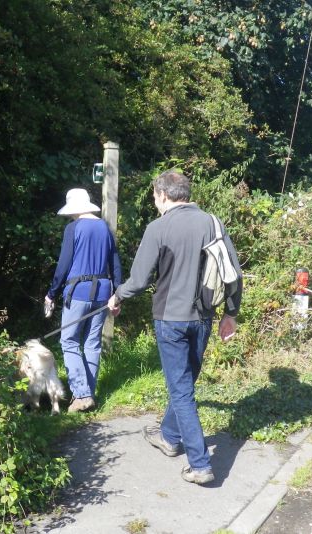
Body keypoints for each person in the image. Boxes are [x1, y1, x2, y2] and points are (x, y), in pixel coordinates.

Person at [107, 171, 242, 485]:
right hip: (203, 318)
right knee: (185, 384)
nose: (155, 202)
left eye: (155, 197)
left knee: (181, 391)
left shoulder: (158, 228)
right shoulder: (212, 223)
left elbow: (139, 280)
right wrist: (230, 313)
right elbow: (233, 273)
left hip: (170, 320)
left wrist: (117, 296)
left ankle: (200, 464)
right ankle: (169, 437)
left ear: (163, 195)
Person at [45, 188, 122, 413]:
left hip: (78, 291)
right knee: (92, 343)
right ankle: (89, 394)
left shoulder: (74, 228)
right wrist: (118, 295)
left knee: (69, 341)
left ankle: (81, 395)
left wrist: (52, 293)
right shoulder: (104, 227)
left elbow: (64, 264)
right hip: (103, 292)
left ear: (73, 209)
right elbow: (115, 263)